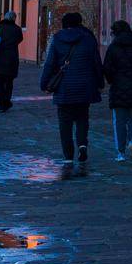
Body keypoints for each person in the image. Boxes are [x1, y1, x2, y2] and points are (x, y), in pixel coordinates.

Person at [39, 11, 103, 167]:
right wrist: (100, 83)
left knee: (64, 123)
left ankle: (68, 155)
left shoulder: (57, 39)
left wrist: (44, 83)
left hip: (64, 89)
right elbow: (96, 63)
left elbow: (50, 64)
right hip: (84, 86)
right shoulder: (88, 39)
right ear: (79, 23)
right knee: (82, 118)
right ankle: (82, 145)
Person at [101, 20, 132, 161]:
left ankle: (121, 153)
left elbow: (107, 68)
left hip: (118, 89)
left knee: (120, 122)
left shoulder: (113, 48)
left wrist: (112, 80)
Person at [0, 11, 24, 112]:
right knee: (9, 83)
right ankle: (7, 100)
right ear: (14, 18)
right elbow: (20, 39)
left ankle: (2, 104)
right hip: (12, 59)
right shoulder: (17, 29)